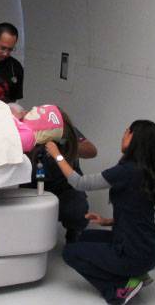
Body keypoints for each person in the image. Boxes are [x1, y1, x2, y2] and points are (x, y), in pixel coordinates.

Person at [46, 120, 155, 305]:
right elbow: (139, 214)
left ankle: (119, 289)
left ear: (136, 139)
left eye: (127, 132)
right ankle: (137, 274)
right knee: (83, 238)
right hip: (148, 249)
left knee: (70, 253)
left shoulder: (126, 171)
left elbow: (80, 183)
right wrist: (107, 221)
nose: (123, 135)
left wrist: (57, 155)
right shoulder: (147, 172)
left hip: (134, 253)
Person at [15, 103, 97, 243]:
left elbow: (91, 151)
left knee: (77, 210)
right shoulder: (25, 130)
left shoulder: (62, 130)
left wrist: (65, 144)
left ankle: (74, 233)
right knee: (21, 214)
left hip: (64, 185)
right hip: (32, 185)